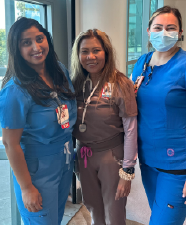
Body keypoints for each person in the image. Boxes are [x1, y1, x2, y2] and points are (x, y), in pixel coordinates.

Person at [130, 6, 186, 224]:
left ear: (180, 32)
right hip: (148, 161)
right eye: (158, 27)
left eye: (170, 28)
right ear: (148, 31)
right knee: (158, 215)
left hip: (178, 165)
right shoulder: (142, 63)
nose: (163, 33)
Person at [0, 17, 77, 225]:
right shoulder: (14, 91)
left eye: (40, 39)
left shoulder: (59, 71)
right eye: (26, 43)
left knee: (56, 219)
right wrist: (26, 187)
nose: (36, 47)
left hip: (64, 160)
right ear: (17, 49)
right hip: (36, 170)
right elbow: (10, 143)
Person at [70, 29, 138, 225]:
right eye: (84, 51)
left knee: (114, 213)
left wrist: (128, 171)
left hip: (111, 156)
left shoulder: (121, 83)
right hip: (83, 155)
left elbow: (131, 129)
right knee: (93, 207)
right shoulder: (76, 83)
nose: (90, 57)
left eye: (96, 50)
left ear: (106, 53)